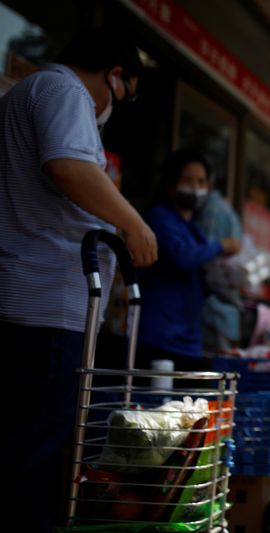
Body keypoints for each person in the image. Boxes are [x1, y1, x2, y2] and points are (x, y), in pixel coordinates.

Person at [0, 28, 157, 532]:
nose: (114, 108)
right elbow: (68, 165)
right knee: (32, 458)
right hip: (44, 303)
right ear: (114, 75)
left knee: (26, 449)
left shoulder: (29, 93)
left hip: (30, 296)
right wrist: (132, 221)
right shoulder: (64, 90)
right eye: (124, 94)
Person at [136, 149, 240, 370]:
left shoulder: (194, 230)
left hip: (189, 339)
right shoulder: (159, 218)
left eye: (201, 181)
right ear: (171, 183)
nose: (195, 187)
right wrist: (222, 245)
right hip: (160, 338)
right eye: (188, 180)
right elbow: (181, 257)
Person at [195, 181, 245, 351]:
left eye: (199, 181)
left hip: (214, 308)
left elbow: (203, 258)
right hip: (226, 309)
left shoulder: (212, 210)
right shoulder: (227, 211)